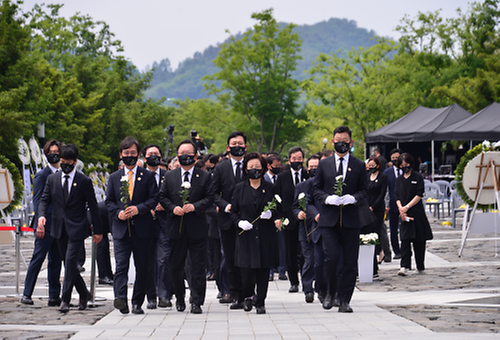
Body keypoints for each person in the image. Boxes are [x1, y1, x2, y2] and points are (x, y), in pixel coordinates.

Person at [37, 143, 103, 313]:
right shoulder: (52, 179)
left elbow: (93, 207)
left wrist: (98, 230)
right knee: (68, 265)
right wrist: (41, 215)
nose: (64, 165)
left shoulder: (84, 181)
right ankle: (84, 293)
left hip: (77, 228)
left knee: (71, 261)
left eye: (68, 162)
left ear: (74, 162)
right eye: (62, 161)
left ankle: (65, 300)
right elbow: (44, 200)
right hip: (59, 227)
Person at [313, 126, 368, 313]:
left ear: (350, 142)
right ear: (333, 140)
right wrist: (327, 198)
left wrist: (354, 198)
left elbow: (364, 189)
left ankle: (345, 299)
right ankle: (330, 292)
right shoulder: (324, 164)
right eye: (338, 140)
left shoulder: (359, 165)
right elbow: (316, 188)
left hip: (351, 219)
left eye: (345, 140)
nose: (341, 143)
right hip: (329, 219)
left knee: (350, 262)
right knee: (331, 257)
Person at [159, 139, 213, 314]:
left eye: (189, 153)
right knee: (175, 265)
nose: (185, 156)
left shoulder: (204, 176)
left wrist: (195, 207)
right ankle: (180, 297)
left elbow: (210, 197)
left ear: (195, 156)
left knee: (197, 266)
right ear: (177, 155)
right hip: (176, 227)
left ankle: (197, 301)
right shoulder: (169, 176)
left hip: (197, 227)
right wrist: (173, 208)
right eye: (182, 153)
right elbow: (163, 197)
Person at [106, 137, 158, 315]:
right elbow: (109, 201)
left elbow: (154, 198)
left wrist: (139, 209)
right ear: (121, 155)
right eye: (126, 153)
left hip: (142, 228)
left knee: (142, 266)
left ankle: (137, 302)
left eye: (133, 153)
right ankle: (120, 298)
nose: (130, 156)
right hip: (121, 229)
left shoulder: (148, 176)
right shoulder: (114, 177)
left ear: (138, 154)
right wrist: (117, 213)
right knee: (121, 265)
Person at [230, 152, 281, 314]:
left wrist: (272, 214)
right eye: (251, 167)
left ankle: (261, 301)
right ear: (245, 169)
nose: (255, 170)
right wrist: (239, 222)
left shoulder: (270, 188)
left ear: (264, 168)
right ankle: (248, 296)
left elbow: (279, 208)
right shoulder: (239, 189)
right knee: (247, 271)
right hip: (246, 235)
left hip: (265, 234)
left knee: (263, 270)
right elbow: (233, 211)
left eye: (258, 167)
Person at [21, 140, 63, 307]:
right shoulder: (42, 175)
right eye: (51, 152)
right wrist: (40, 221)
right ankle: (26, 293)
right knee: (38, 258)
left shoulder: (63, 173)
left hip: (59, 225)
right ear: (46, 155)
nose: (54, 154)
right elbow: (38, 201)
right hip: (44, 224)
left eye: (56, 151)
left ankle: (54, 295)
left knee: (56, 261)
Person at [211, 131, 248, 308]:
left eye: (240, 143)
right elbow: (214, 193)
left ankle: (248, 293)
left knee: (248, 258)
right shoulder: (221, 168)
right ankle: (234, 293)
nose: (237, 146)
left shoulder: (251, 165)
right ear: (228, 147)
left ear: (246, 147)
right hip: (226, 219)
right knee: (231, 258)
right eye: (234, 143)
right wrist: (226, 206)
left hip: (248, 220)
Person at [142, 143, 173, 309]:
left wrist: (165, 205)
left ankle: (164, 294)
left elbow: (174, 197)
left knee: (163, 259)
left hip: (163, 223)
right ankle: (150, 295)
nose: (154, 156)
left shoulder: (167, 176)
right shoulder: (139, 176)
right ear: (144, 157)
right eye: (150, 153)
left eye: (156, 153)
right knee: (147, 261)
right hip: (145, 223)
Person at [276, 146, 309, 293]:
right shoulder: (282, 177)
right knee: (290, 251)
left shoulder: (308, 175)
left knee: (304, 251)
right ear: (289, 160)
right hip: (288, 220)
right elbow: (277, 197)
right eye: (294, 159)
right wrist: (279, 217)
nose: (297, 161)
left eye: (300, 158)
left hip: (305, 219)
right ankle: (293, 281)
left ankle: (306, 279)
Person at [395, 153, 433, 276]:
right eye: (402, 165)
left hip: (416, 212)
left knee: (419, 241)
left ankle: (420, 265)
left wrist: (407, 207)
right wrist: (401, 208)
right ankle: (404, 266)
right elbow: (396, 195)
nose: (404, 167)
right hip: (404, 214)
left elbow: (419, 194)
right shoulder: (399, 180)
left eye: (406, 165)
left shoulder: (417, 177)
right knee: (405, 240)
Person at [292, 154, 321, 303]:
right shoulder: (301, 186)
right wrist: (299, 214)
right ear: (307, 168)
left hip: (322, 228)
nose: (314, 170)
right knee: (309, 259)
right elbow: (295, 207)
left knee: (320, 260)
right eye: (311, 167)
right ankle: (308, 289)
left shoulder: (326, 184)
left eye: (317, 167)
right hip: (306, 229)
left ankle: (322, 288)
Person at [263, 152, 287, 281]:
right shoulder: (263, 179)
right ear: (269, 166)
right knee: (269, 246)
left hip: (281, 216)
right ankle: (270, 271)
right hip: (268, 216)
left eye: (279, 165)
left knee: (281, 245)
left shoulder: (281, 178)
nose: (278, 167)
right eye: (275, 165)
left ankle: (282, 270)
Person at [365, 156, 388, 275]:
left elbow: (382, 194)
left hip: (377, 209)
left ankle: (380, 252)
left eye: (373, 165)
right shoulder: (366, 177)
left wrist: (373, 206)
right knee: (368, 234)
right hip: (366, 209)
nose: (371, 168)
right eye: (369, 166)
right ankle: (372, 258)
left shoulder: (383, 177)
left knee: (376, 232)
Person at [383, 148, 403, 260]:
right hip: (392, 203)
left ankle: (405, 249)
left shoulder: (405, 170)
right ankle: (397, 250)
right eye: (393, 158)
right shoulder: (387, 172)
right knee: (393, 228)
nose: (395, 160)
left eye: (397, 158)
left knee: (405, 228)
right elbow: (386, 189)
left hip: (405, 203)